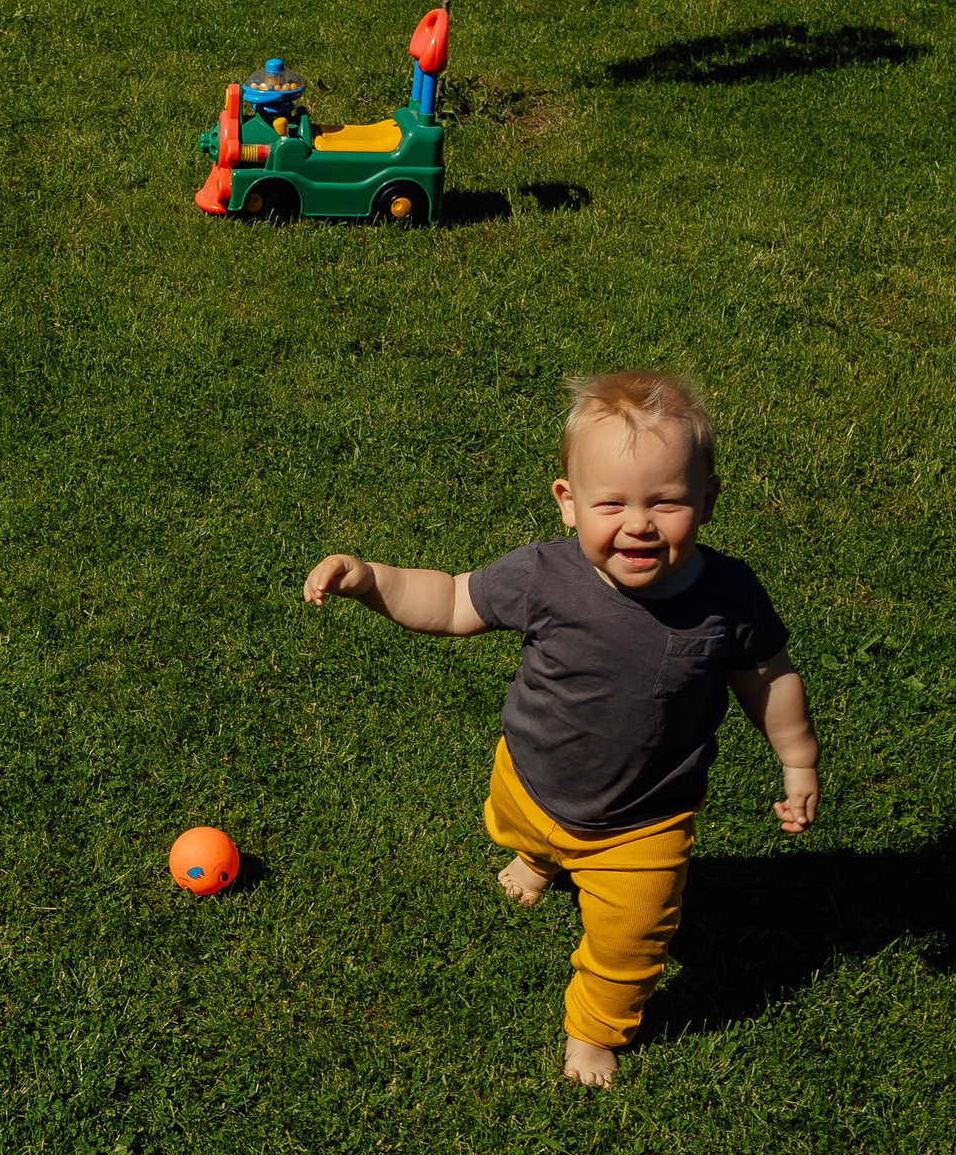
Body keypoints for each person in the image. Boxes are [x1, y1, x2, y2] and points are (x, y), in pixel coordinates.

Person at [301, 371, 819, 1087]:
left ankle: (593, 1032)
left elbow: (766, 677)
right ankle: (540, 858)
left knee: (631, 943)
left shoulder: (728, 598)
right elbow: (450, 600)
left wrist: (797, 758)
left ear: (707, 499)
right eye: (612, 503)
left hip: (644, 822)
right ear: (568, 504)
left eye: (665, 502)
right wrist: (369, 580)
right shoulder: (545, 575)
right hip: (531, 779)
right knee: (516, 827)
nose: (639, 524)